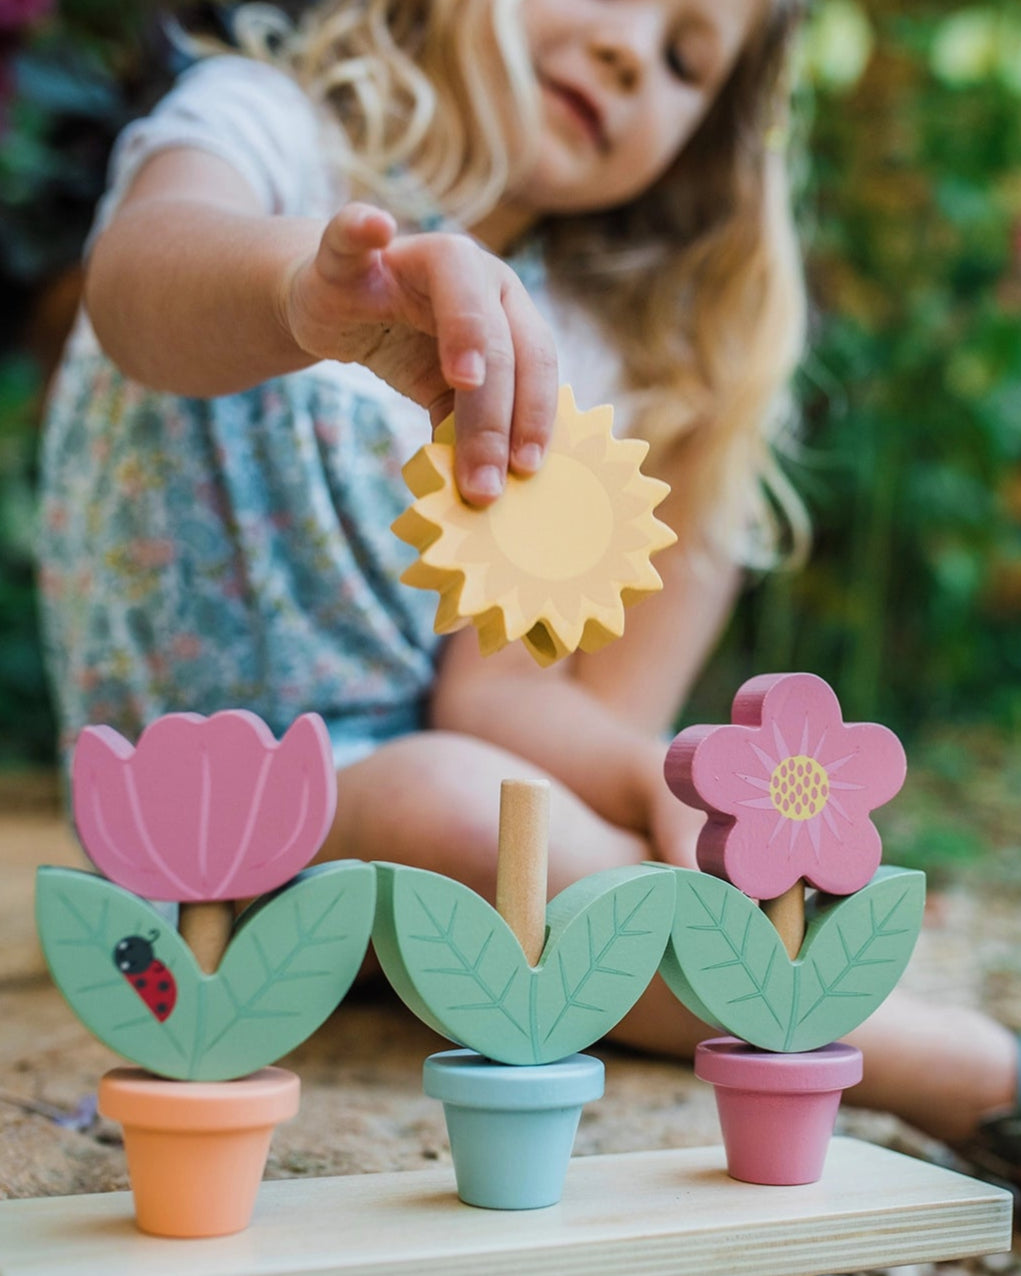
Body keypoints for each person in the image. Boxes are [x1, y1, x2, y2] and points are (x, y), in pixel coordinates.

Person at [37, 0, 1018, 1168]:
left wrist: (674, 786)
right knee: (452, 804)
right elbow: (138, 285)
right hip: (181, 822)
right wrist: (302, 297)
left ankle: (830, 1004)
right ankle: (934, 1059)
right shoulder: (272, 131)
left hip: (407, 806)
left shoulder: (599, 352)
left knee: (481, 809)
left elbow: (491, 695)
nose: (628, 52)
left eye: (684, 60)